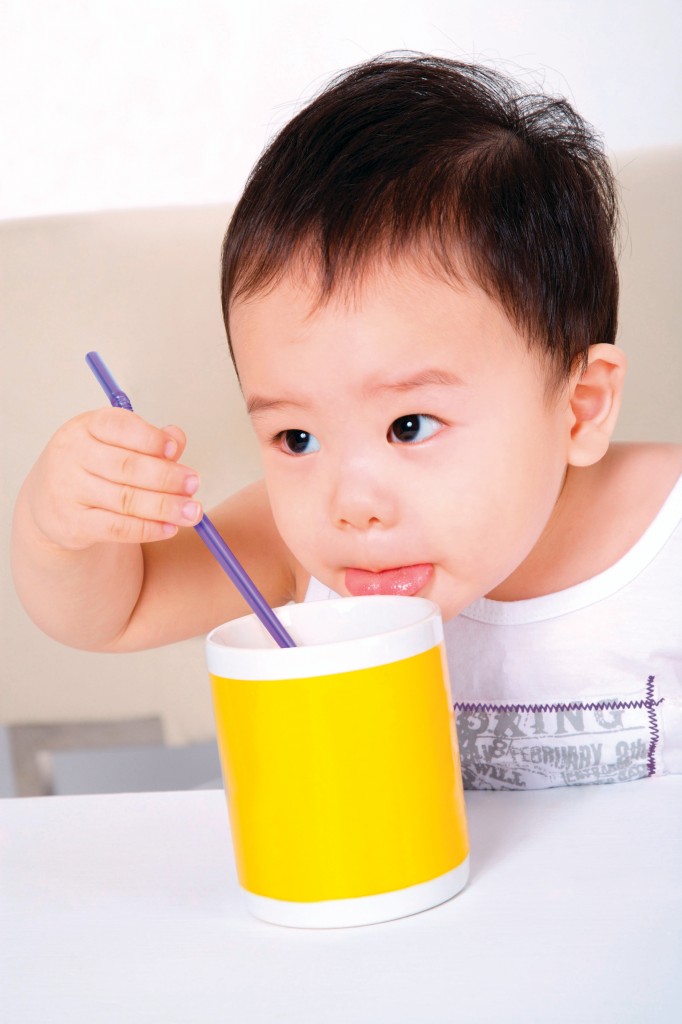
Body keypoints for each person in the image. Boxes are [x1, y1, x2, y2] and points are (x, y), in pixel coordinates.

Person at [11, 54, 682, 790]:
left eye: (409, 426)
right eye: (296, 438)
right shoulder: (297, 544)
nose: (350, 501)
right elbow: (118, 610)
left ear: (579, 407)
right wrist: (57, 527)